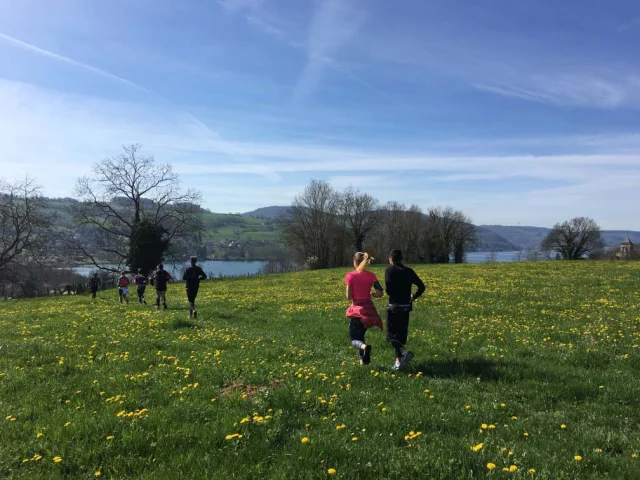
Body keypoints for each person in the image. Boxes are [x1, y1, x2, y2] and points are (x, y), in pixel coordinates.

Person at [385, 249, 425, 370]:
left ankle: (403, 352)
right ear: (401, 259)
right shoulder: (409, 271)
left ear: (391, 259)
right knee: (401, 335)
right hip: (405, 308)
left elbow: (388, 290)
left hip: (393, 307)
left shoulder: (389, 270)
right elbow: (421, 286)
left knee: (391, 336)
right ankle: (399, 364)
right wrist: (414, 296)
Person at [345, 252, 384, 365]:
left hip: (357, 310)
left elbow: (348, 297)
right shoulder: (371, 276)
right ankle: (363, 361)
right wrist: (373, 294)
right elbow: (380, 292)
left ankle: (364, 347)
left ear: (355, 262)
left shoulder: (350, 276)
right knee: (360, 335)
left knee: (354, 339)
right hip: (369, 310)